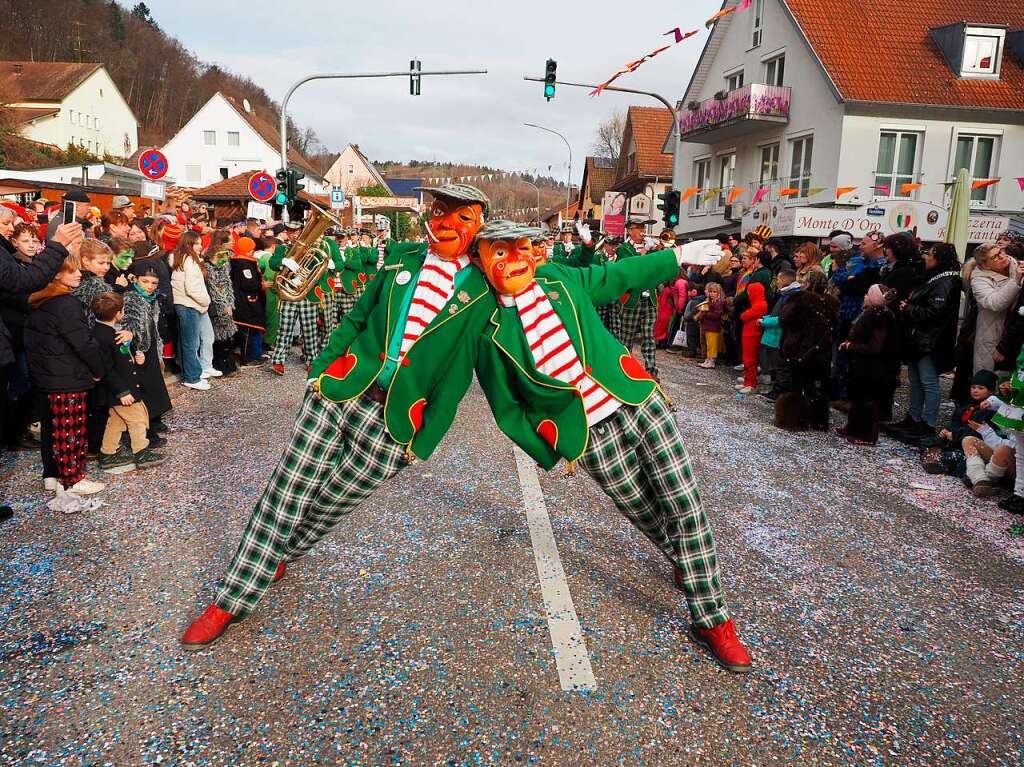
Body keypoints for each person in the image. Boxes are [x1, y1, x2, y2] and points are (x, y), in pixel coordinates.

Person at [181, 184, 494, 648]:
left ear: (480, 226)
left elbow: (459, 373)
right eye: (441, 210)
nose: (447, 222)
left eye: (462, 216)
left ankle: (280, 551)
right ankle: (230, 599)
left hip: (396, 418)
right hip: (341, 390)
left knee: (333, 503)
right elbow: (356, 319)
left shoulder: (482, 291)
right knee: (286, 490)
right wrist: (323, 370)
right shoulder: (401, 259)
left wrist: (423, 441)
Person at [471, 220, 752, 673]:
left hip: (634, 399)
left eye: (518, 247)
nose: (513, 258)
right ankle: (686, 559)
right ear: (482, 259)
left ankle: (712, 618)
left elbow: (618, 276)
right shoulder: (485, 326)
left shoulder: (559, 279)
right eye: (498, 252)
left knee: (683, 502)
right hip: (588, 433)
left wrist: (675, 257)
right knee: (645, 513)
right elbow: (505, 405)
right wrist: (553, 446)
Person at [24, 250, 107, 505]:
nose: (80, 273)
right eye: (73, 270)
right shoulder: (66, 304)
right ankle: (72, 478)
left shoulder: (38, 301)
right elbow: (83, 343)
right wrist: (98, 369)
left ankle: (52, 474)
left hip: (47, 376)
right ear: (57, 275)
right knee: (70, 429)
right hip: (66, 376)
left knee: (52, 428)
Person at [889, 244, 962, 440]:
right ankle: (913, 417)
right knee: (916, 380)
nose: (925, 257)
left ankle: (928, 423)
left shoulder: (946, 281)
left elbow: (935, 312)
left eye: (929, 254)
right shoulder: (934, 278)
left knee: (928, 382)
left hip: (930, 340)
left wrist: (909, 308)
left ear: (938, 258)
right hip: (918, 338)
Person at [91, 292, 165, 473]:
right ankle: (141, 451)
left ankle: (107, 452)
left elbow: (120, 357)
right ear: (119, 313)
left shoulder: (105, 332)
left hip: (120, 389)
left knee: (116, 421)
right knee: (138, 419)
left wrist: (135, 357)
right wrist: (122, 392)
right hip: (123, 389)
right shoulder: (107, 336)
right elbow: (108, 368)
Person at [837, 284, 900, 445]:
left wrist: (851, 346)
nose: (865, 296)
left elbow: (875, 346)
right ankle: (853, 427)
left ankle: (866, 434)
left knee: (867, 400)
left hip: (873, 366)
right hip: (862, 364)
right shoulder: (871, 313)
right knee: (858, 397)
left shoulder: (880, 316)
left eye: (868, 294)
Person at [775, 271, 838, 432]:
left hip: (801, 347)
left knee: (797, 384)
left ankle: (794, 419)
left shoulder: (801, 298)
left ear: (808, 283)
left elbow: (785, 319)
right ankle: (817, 419)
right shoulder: (831, 301)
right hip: (822, 349)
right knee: (815, 386)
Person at [121, 264, 173, 443]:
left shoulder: (153, 298)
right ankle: (145, 429)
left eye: (153, 283)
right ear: (135, 279)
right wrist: (136, 349)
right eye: (145, 282)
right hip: (138, 350)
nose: (149, 286)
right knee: (144, 387)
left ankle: (155, 417)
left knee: (154, 383)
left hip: (151, 346)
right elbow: (129, 326)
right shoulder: (131, 299)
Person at [617, 219, 670, 379]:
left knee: (649, 337)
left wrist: (659, 250)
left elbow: (659, 267)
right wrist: (646, 252)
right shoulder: (623, 249)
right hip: (632, 299)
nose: (643, 230)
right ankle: (623, 371)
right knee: (627, 338)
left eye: (643, 227)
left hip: (650, 298)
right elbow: (631, 269)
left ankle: (651, 372)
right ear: (629, 230)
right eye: (639, 227)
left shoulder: (651, 247)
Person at [169, 231, 216, 391]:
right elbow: (193, 287)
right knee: (191, 342)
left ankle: (191, 373)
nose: (200, 246)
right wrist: (206, 301)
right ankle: (192, 377)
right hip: (190, 304)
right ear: (189, 244)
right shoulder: (189, 261)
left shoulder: (180, 259)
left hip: (186, 303)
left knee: (187, 341)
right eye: (196, 243)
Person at [970, 243, 1020, 375]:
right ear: (986, 265)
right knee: (990, 382)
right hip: (993, 336)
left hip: (1016, 333)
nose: (1002, 256)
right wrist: (1015, 281)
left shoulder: (1017, 266)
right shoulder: (978, 279)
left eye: (1001, 252)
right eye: (995, 257)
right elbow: (995, 303)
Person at [758, 269, 801, 397]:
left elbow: (782, 317)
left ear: (782, 280)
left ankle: (779, 391)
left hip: (780, 334)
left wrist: (765, 321)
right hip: (778, 332)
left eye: (777, 279)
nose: (776, 282)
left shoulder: (790, 296)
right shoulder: (787, 294)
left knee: (780, 364)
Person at [203, 230, 238, 376]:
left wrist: (229, 302)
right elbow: (215, 285)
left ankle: (227, 364)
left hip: (225, 300)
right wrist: (224, 305)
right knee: (219, 336)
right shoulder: (211, 260)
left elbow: (227, 282)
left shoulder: (225, 258)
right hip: (216, 304)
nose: (233, 242)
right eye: (230, 240)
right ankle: (221, 365)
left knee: (226, 335)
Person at [229, 236, 267, 366]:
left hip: (246, 301)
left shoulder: (240, 262)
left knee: (252, 331)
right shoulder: (243, 264)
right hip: (246, 302)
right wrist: (262, 285)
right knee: (249, 330)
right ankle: (248, 358)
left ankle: (255, 354)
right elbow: (248, 283)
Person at [738, 281, 767, 394]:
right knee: (748, 358)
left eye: (750, 292)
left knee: (750, 359)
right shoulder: (759, 304)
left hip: (752, 334)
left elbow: (744, 316)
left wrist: (745, 314)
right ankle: (748, 380)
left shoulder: (760, 305)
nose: (749, 295)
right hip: (750, 333)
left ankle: (751, 383)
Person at [696, 282, 726, 368]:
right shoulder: (710, 302)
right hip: (708, 326)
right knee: (708, 343)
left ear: (719, 293)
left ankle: (712, 360)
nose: (712, 294)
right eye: (711, 292)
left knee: (712, 344)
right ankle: (708, 359)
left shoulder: (719, 303)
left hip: (713, 327)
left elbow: (717, 315)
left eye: (714, 292)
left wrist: (706, 313)